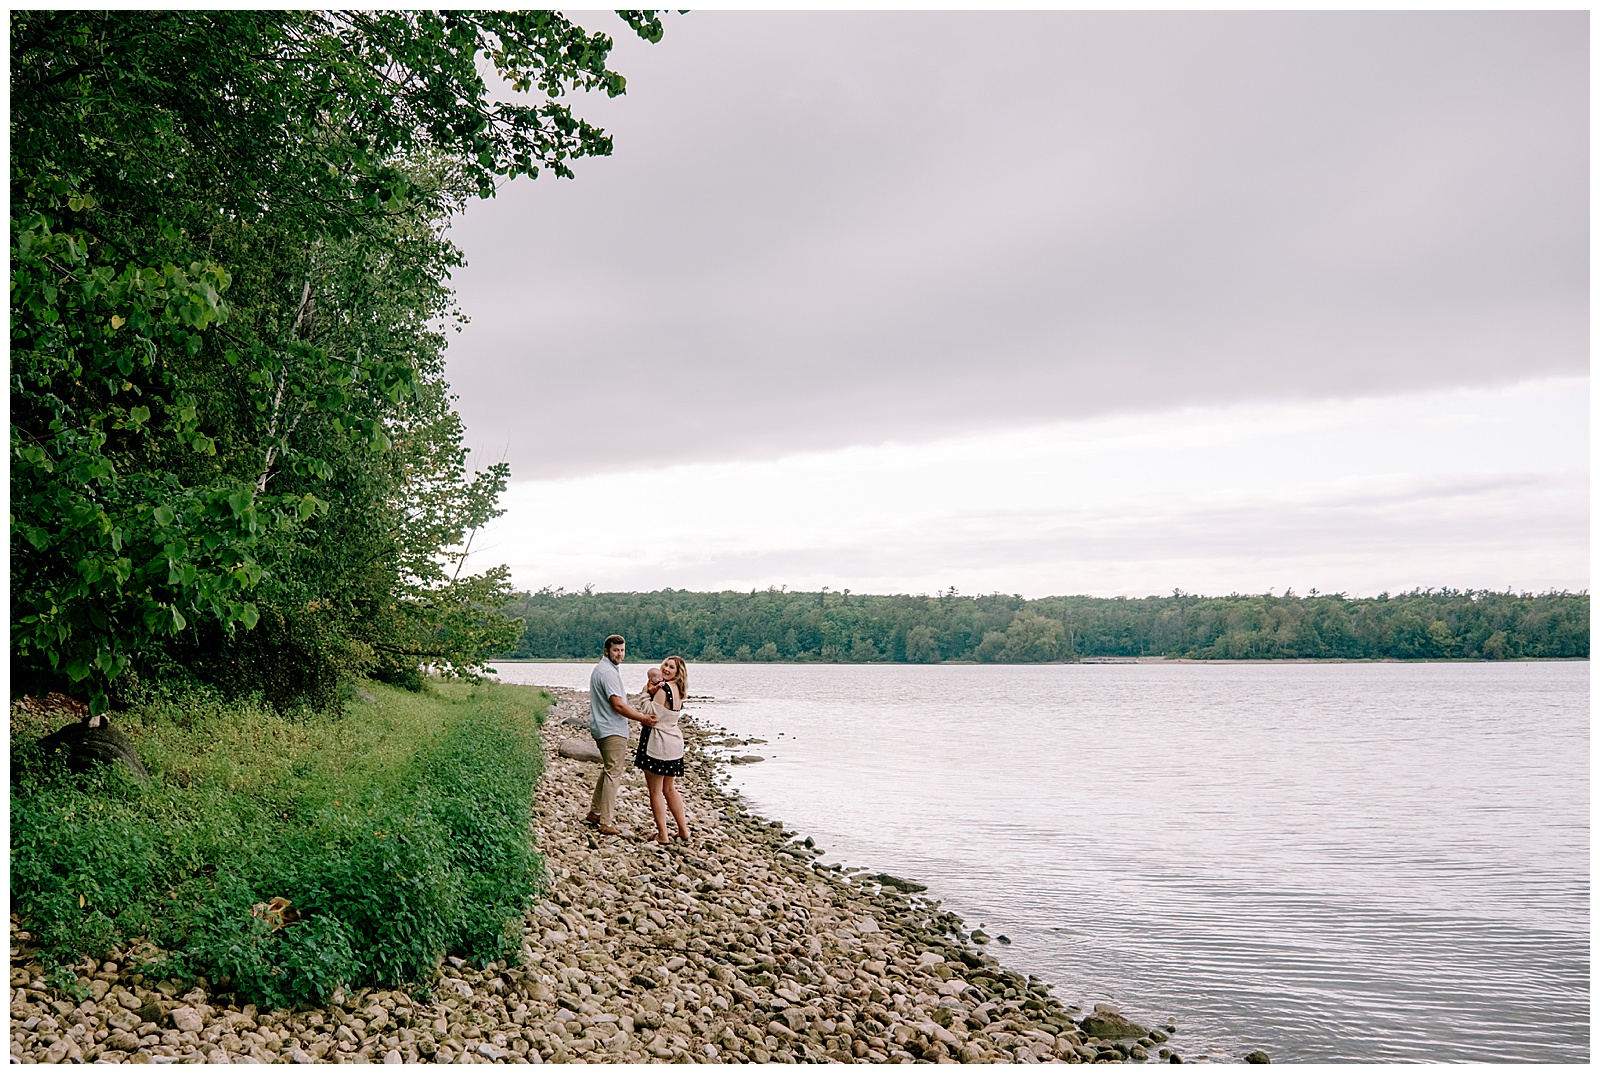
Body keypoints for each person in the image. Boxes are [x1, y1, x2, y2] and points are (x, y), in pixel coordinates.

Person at [584, 634, 656, 836]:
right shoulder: (607, 673)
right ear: (607, 651)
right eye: (616, 650)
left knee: (608, 770)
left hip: (602, 726)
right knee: (613, 774)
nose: (620, 654)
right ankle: (605, 822)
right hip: (611, 729)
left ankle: (595, 812)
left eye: (622, 650)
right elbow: (618, 705)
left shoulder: (604, 669)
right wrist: (642, 718)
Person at [634, 655, 691, 846]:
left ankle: (663, 835)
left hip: (658, 743)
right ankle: (683, 830)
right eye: (665, 664)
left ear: (677, 672)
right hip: (674, 741)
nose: (666, 668)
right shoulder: (679, 690)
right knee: (669, 788)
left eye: (671, 667)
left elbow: (650, 712)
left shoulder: (664, 689)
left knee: (655, 791)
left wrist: (644, 692)